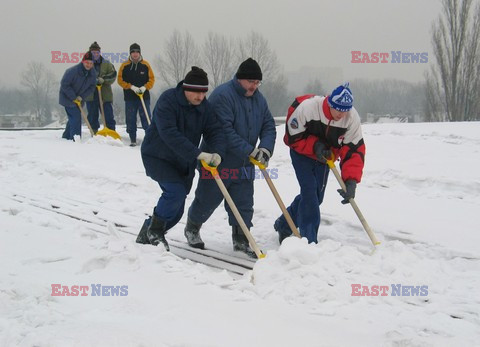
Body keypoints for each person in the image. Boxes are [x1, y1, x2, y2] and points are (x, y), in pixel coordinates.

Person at [185, 58, 276, 258]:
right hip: (218, 162)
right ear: (240, 79)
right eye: (251, 82)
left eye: (257, 82)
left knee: (244, 203)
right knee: (207, 199)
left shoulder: (259, 99)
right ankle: (192, 226)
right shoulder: (222, 96)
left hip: (244, 164)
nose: (254, 86)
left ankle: (241, 240)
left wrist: (265, 149)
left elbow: (268, 124)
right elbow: (223, 131)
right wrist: (250, 150)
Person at [136, 66, 225, 251]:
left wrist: (215, 151)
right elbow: (169, 134)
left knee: (177, 210)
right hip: (158, 156)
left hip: (183, 161)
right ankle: (155, 232)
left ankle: (149, 230)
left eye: (204, 92)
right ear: (186, 88)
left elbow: (214, 131)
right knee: (174, 193)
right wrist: (198, 154)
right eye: (196, 92)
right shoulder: (168, 101)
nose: (200, 97)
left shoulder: (204, 108)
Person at [274, 83, 366, 244]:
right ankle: (309, 241)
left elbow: (354, 150)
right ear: (330, 104)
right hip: (301, 153)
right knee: (309, 193)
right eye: (338, 109)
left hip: (326, 157)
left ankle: (284, 224)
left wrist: (351, 180)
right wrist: (315, 145)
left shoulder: (352, 118)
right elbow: (292, 137)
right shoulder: (308, 108)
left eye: (346, 110)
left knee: (316, 198)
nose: (341, 114)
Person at [117, 43, 155, 146]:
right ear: (130, 53)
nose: (135, 54)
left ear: (140, 53)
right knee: (131, 118)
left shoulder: (145, 65)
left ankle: (149, 139)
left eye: (137, 52)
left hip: (144, 97)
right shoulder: (125, 66)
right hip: (130, 97)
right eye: (133, 52)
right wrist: (131, 87)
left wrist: (144, 87)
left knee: (146, 118)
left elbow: (151, 79)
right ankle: (132, 139)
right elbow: (120, 80)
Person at [59, 51, 97, 140]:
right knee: (76, 117)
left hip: (79, 99)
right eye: (87, 62)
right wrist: (73, 97)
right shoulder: (72, 71)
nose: (89, 65)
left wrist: (81, 97)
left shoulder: (92, 73)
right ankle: (75, 139)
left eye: (91, 63)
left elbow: (92, 87)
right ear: (83, 61)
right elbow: (64, 84)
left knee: (73, 118)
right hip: (67, 97)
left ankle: (66, 136)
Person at [85, 41, 117, 133]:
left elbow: (113, 75)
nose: (95, 54)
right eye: (93, 52)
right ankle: (94, 132)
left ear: (100, 53)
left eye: (97, 52)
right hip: (90, 95)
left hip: (105, 95)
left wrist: (103, 79)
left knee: (108, 115)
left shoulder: (106, 64)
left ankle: (111, 132)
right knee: (92, 115)